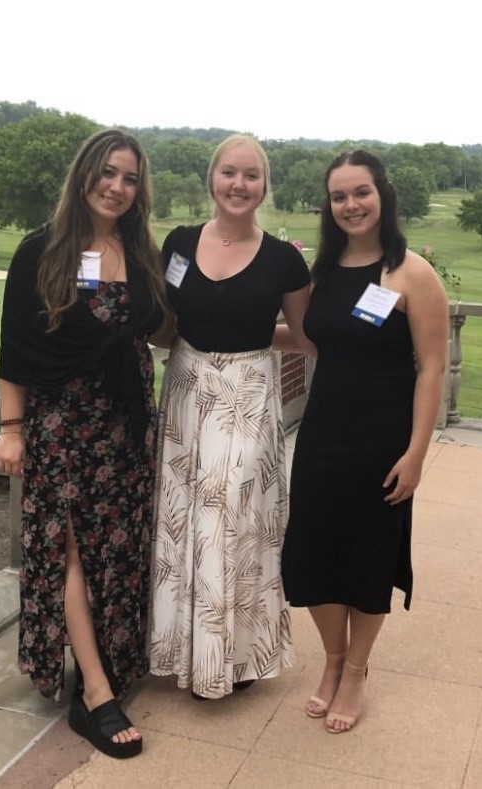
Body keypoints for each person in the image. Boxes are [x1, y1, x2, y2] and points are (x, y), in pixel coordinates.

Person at [0, 129, 167, 759]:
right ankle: (93, 692)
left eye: (129, 178)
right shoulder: (40, 251)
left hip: (124, 425)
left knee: (114, 550)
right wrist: (11, 430)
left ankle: (109, 660)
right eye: (109, 173)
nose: (118, 187)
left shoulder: (138, 249)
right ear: (85, 174)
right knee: (69, 547)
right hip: (62, 424)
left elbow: (166, 326)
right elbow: (15, 349)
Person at [280, 150, 448, 733]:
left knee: (368, 555)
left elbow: (431, 367)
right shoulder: (322, 272)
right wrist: (221, 328)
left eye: (361, 192)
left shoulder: (412, 273)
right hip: (323, 432)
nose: (350, 205)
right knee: (316, 549)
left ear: (383, 196)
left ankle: (356, 671)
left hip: (383, 438)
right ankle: (330, 660)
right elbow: (312, 340)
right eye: (339, 196)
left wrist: (416, 453)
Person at [148, 134, 312, 700]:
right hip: (186, 388)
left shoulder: (284, 260)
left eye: (251, 175)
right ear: (211, 179)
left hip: (247, 392)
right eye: (229, 173)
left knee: (231, 521)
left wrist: (381, 335)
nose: (239, 185)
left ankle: (232, 658)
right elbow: (163, 322)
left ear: (264, 186)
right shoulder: (178, 244)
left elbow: (308, 335)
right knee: (181, 519)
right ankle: (185, 652)